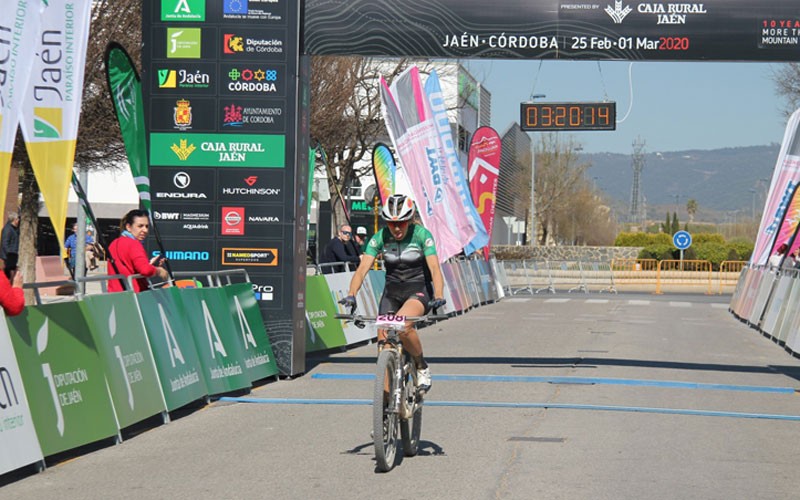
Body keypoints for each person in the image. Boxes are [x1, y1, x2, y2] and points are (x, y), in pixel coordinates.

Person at [339, 194, 446, 392]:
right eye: (391, 223)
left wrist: (438, 295)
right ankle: (387, 404)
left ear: (410, 219)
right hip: (392, 292)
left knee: (403, 325)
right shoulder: (379, 237)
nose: (396, 228)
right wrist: (351, 294)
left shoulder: (422, 235)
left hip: (418, 289)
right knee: (383, 343)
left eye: (402, 223)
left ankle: (421, 366)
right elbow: (362, 269)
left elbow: (434, 269)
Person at [107, 209, 169, 293]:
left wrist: (150, 265)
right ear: (128, 227)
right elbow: (145, 270)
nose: (145, 230)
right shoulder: (134, 244)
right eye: (140, 226)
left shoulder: (113, 244)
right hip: (134, 297)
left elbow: (126, 267)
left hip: (114, 295)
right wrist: (159, 271)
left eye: (147, 226)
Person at [0, 212, 19, 280]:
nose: (18, 221)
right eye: (17, 219)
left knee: (12, 274)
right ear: (14, 220)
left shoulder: (14, 229)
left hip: (13, 255)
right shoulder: (8, 229)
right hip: (9, 256)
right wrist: (10, 254)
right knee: (10, 275)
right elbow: (5, 243)